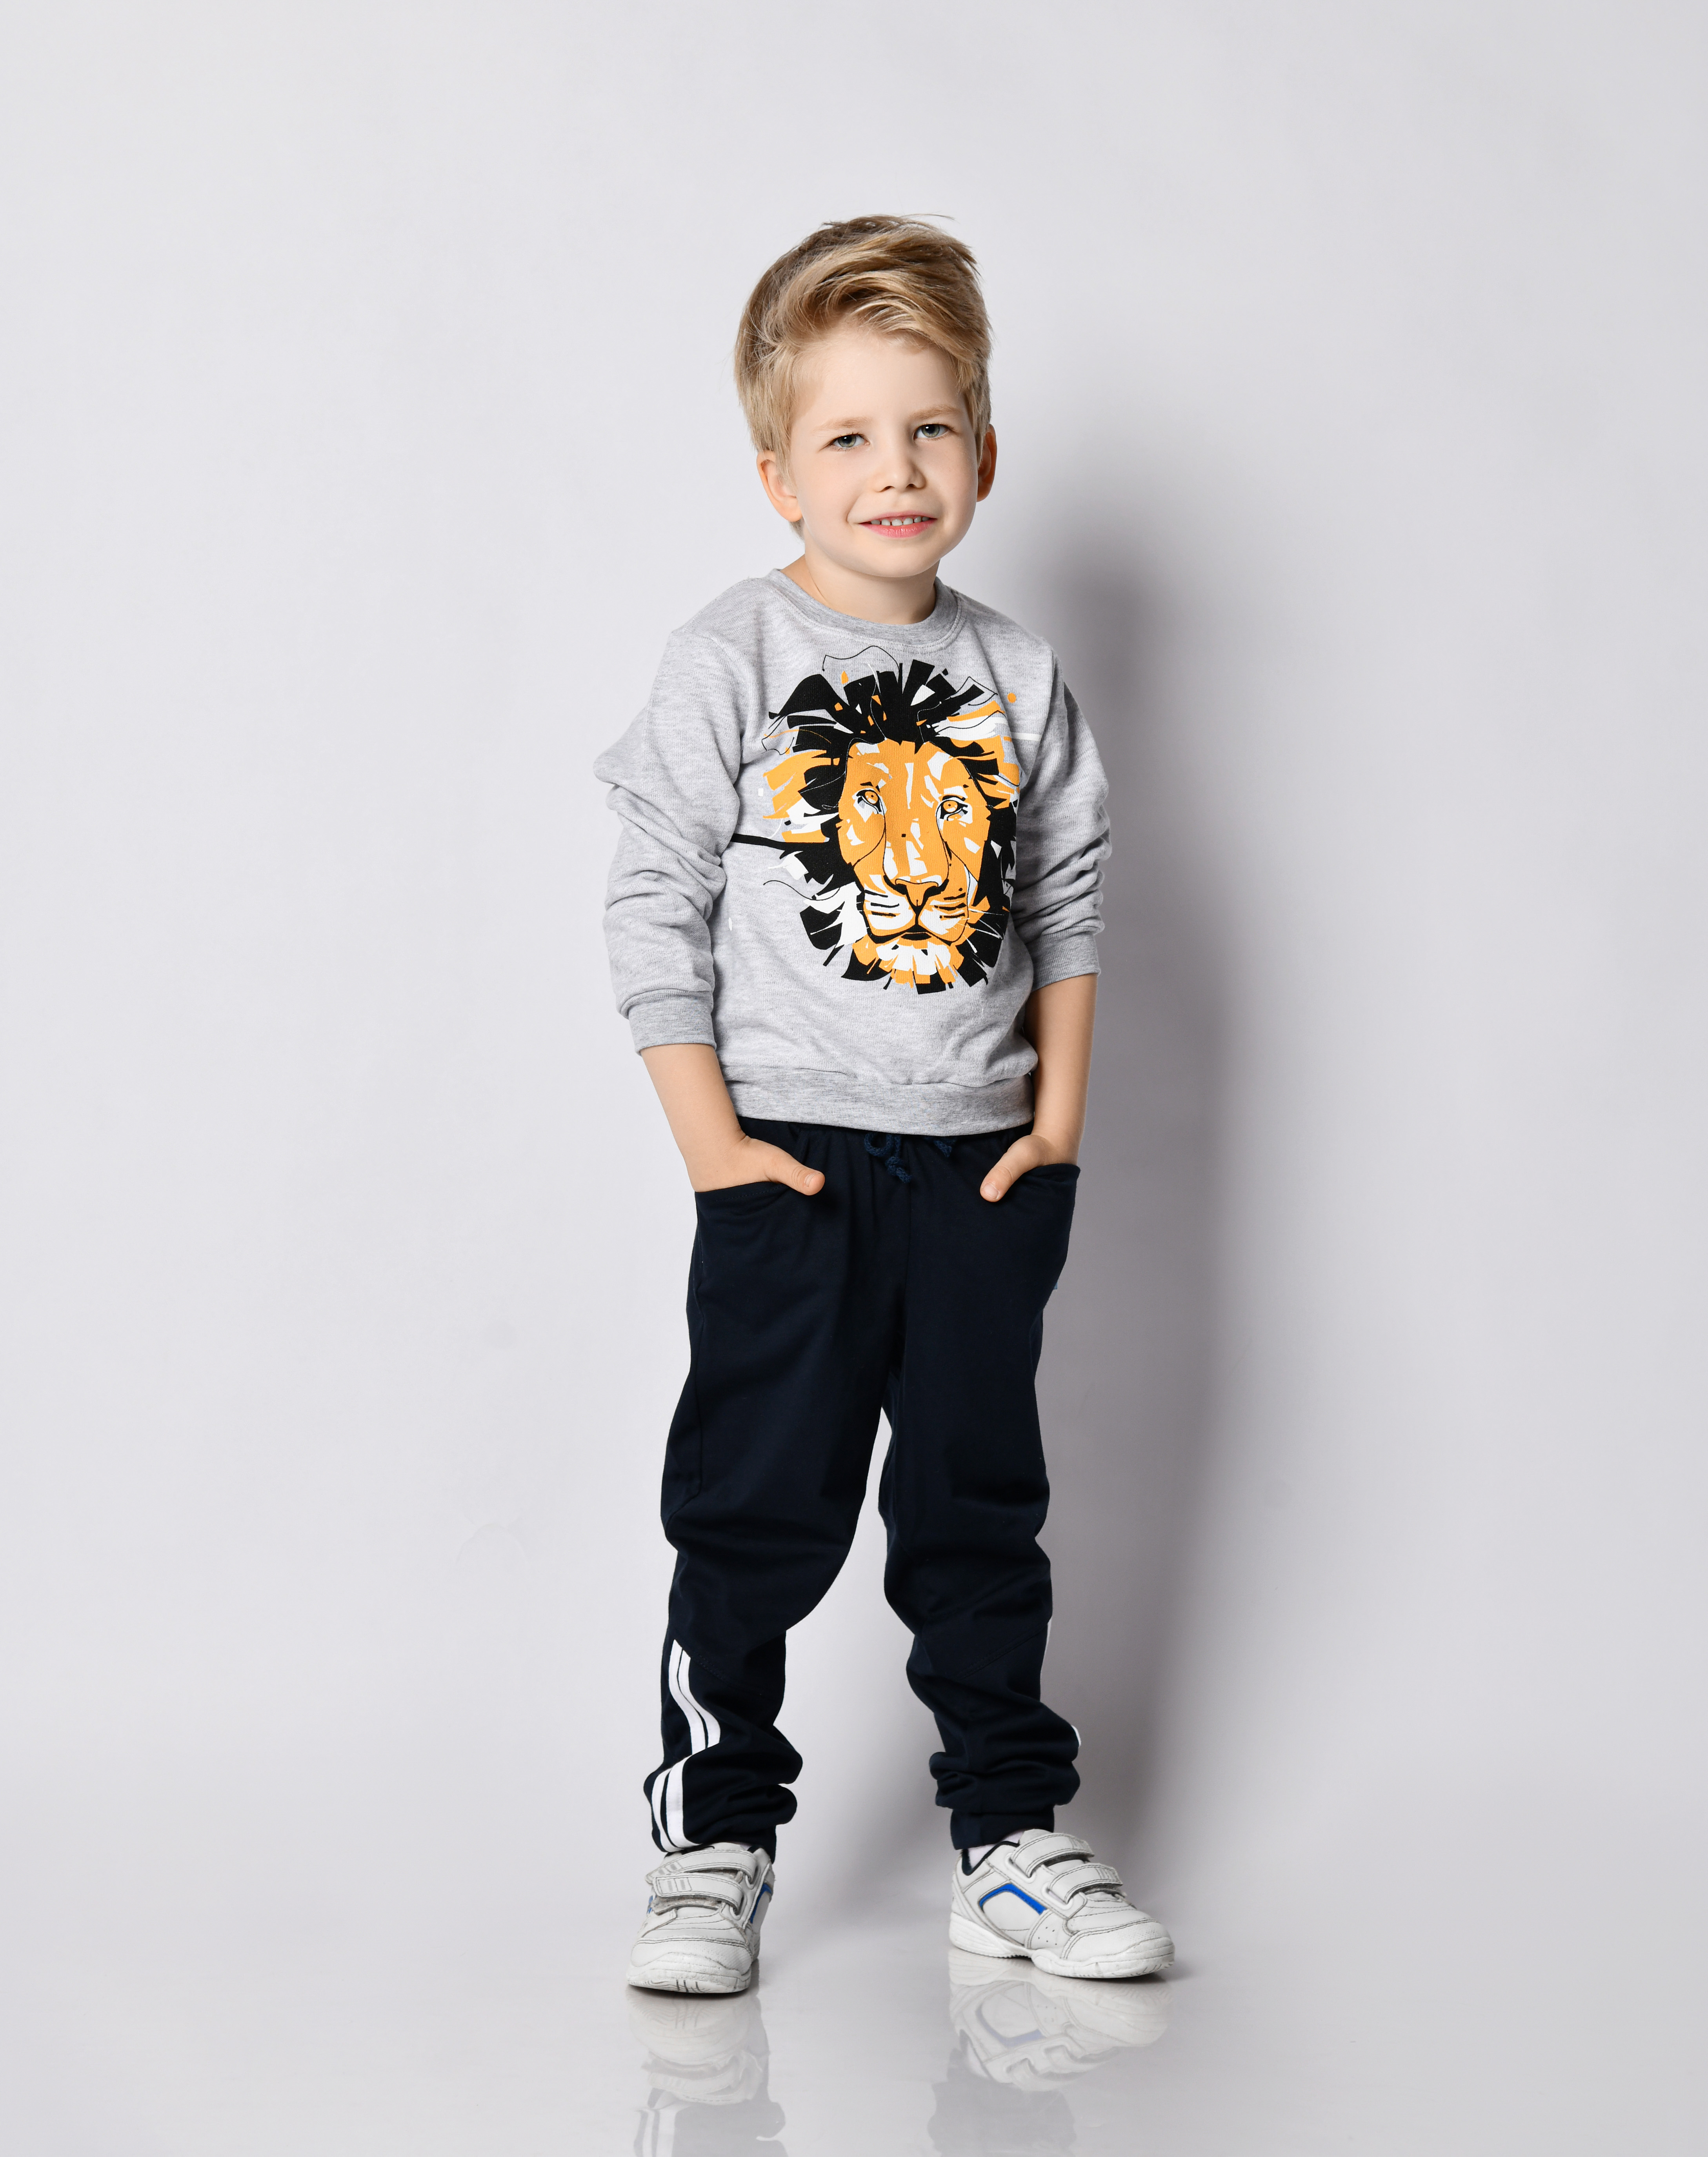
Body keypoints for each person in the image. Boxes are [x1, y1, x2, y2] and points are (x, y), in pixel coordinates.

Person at [596, 216, 1173, 1996]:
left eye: (929, 429)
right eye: (847, 435)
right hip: (788, 1159)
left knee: (976, 1516)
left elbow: (1068, 899)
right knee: (753, 1512)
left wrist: (1055, 1125)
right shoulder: (731, 651)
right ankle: (714, 1839)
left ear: (985, 454)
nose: (895, 469)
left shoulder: (1022, 674)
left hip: (983, 1167)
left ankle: (1008, 1841)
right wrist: (714, 1145)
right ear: (779, 473)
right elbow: (650, 898)